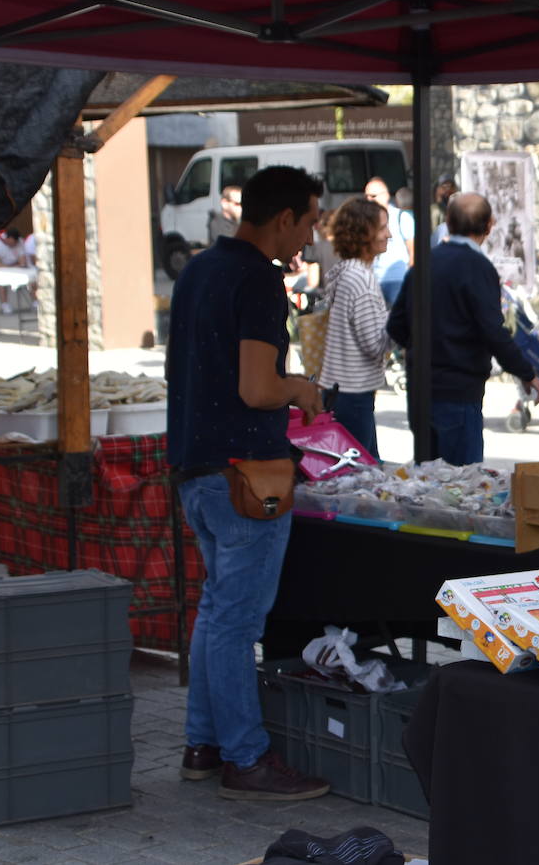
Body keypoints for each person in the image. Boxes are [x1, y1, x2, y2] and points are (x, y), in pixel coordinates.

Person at [166, 165, 329, 801]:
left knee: (216, 612)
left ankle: (203, 746)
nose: (310, 236)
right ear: (283, 218)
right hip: (244, 475)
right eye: (310, 221)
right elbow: (258, 387)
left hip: (198, 470)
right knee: (236, 622)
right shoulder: (259, 280)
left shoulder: (199, 269)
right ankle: (245, 756)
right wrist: (303, 389)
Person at [387, 192, 539, 465]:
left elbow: (396, 325)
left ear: (447, 222)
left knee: (426, 483)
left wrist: (423, 350)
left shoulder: (423, 264)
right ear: (490, 225)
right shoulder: (479, 267)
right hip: (459, 389)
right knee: (461, 486)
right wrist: (527, 373)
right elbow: (492, 331)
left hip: (420, 388)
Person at [318, 198, 393, 461]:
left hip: (343, 388)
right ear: (364, 233)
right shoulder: (361, 280)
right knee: (360, 475)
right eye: (383, 228)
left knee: (364, 467)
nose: (389, 234)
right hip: (353, 391)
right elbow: (374, 343)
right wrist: (400, 321)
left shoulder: (347, 272)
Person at [365, 176, 414, 307]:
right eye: (367, 196)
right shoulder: (366, 221)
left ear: (385, 195)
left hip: (398, 279)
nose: (369, 200)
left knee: (397, 323)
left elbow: (413, 251)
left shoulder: (401, 216)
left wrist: (410, 279)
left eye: (373, 196)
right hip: (374, 281)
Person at [0, 226, 36, 313]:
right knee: (0, 280)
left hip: (13, 266)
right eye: (13, 242)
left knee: (31, 277)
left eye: (16, 242)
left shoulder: (19, 242)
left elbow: (22, 261)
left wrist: (18, 266)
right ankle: (5, 305)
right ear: (8, 238)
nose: (14, 244)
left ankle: (35, 301)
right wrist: (10, 267)